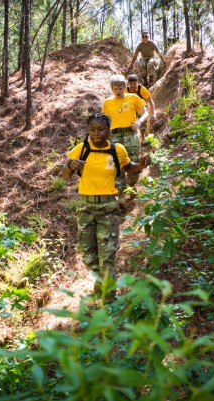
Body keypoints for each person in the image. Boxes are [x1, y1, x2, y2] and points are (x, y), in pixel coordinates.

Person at [62, 113, 150, 301]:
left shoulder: (116, 150)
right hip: (86, 207)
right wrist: (71, 164)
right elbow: (65, 175)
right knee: (87, 255)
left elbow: (128, 167)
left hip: (108, 207)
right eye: (92, 129)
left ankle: (109, 302)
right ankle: (101, 282)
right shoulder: (81, 149)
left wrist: (140, 165)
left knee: (108, 256)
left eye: (100, 129)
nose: (96, 133)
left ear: (108, 130)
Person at [101, 74, 149, 203]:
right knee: (116, 165)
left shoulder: (133, 97)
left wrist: (139, 122)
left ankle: (132, 187)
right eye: (115, 89)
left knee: (134, 164)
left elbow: (146, 112)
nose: (118, 91)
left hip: (131, 135)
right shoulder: (107, 102)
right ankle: (121, 195)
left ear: (125, 87)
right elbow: (104, 120)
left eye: (121, 88)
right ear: (112, 89)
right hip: (115, 137)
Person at [126, 74, 155, 145]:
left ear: (137, 82)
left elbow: (151, 102)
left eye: (134, 83)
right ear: (128, 83)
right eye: (130, 83)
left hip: (141, 107)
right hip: (131, 108)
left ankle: (143, 138)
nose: (132, 85)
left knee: (141, 119)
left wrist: (153, 114)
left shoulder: (141, 89)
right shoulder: (125, 90)